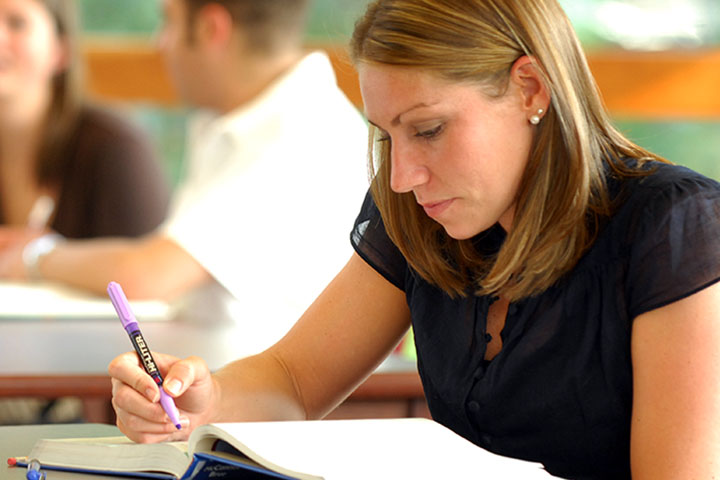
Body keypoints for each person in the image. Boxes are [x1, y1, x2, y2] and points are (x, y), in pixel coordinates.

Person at [109, 0, 720, 478]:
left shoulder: (674, 229)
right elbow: (293, 380)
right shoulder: (418, 213)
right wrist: (203, 399)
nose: (402, 176)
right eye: (387, 136)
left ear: (532, 89)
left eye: (427, 130)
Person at [0, 0, 369, 351]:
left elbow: (147, 275)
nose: (159, 44)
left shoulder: (300, 133)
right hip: (224, 386)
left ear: (211, 29)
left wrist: (34, 255)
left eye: (169, 21)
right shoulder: (237, 123)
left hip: (277, 409)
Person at [0, 0, 170, 425]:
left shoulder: (115, 149)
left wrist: (36, 258)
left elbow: (155, 305)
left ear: (61, 50)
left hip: (103, 403)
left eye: (16, 22)